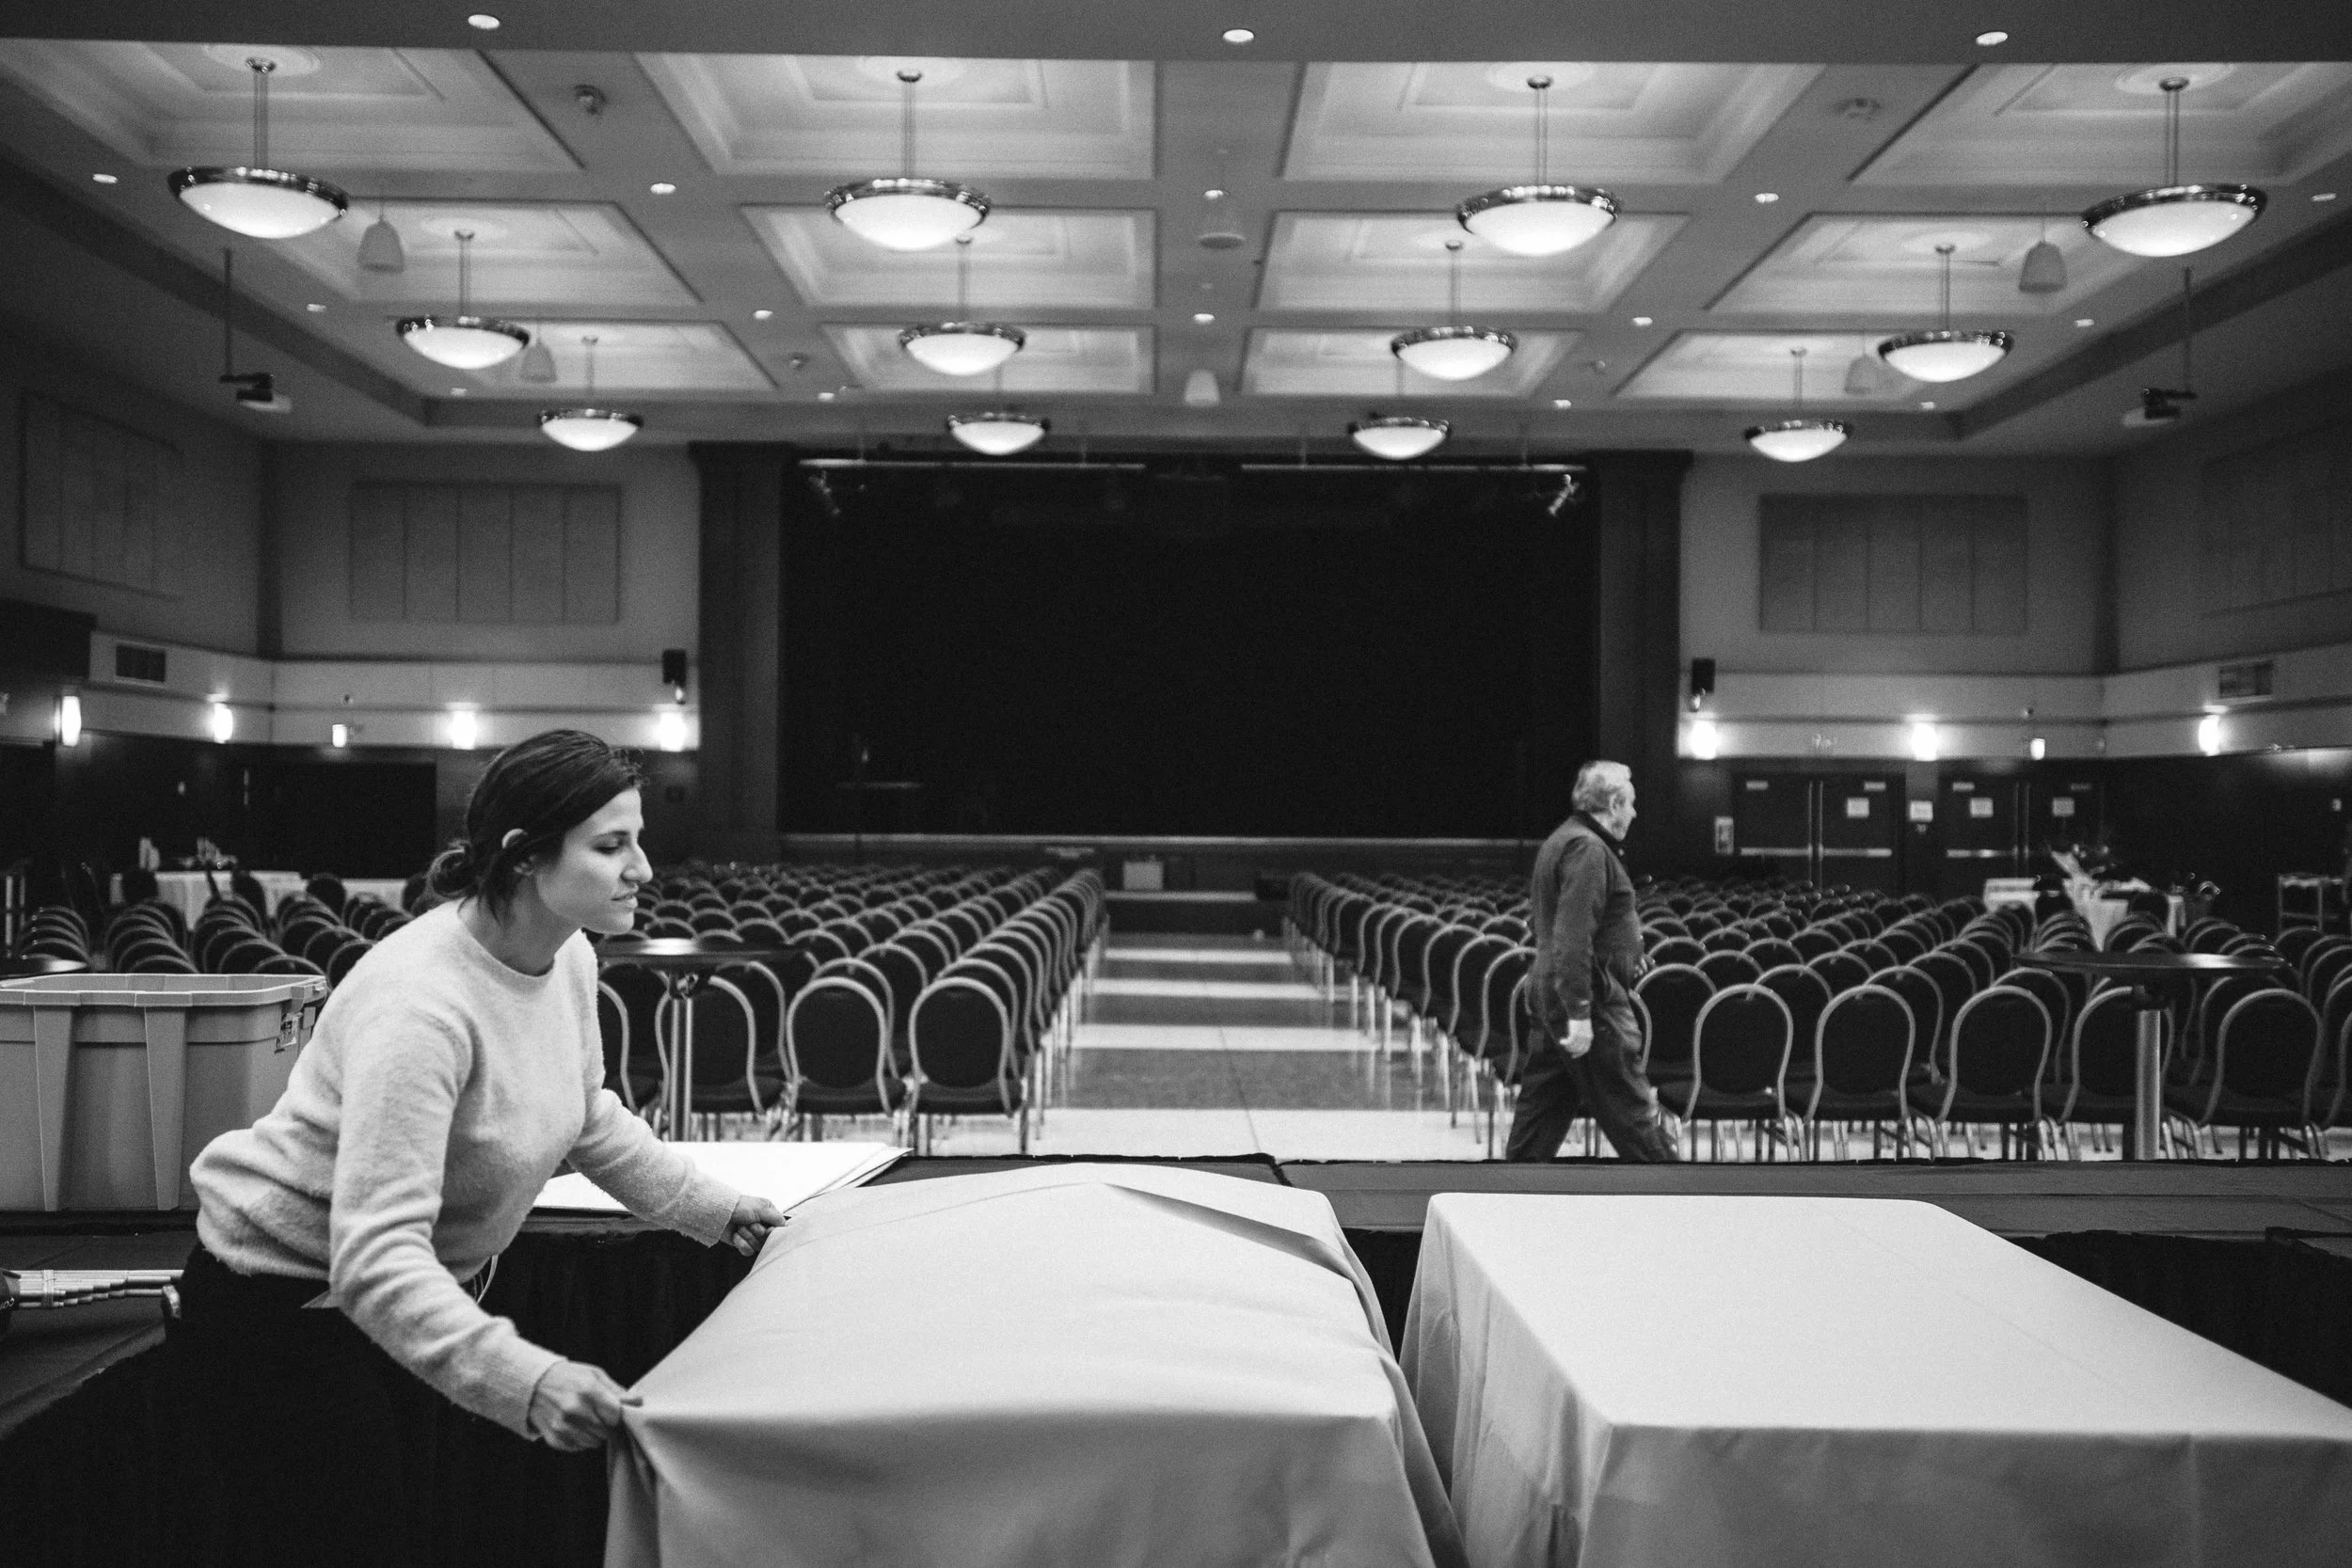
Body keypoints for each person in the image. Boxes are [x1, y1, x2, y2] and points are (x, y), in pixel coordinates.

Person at [177, 729, 786, 1562]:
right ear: (524, 857)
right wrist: (531, 1382)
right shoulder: (420, 1010)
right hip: (279, 1312)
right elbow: (375, 1260)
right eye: (612, 846)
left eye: (637, 840)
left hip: (391, 1300)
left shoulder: (567, 952)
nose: (643, 867)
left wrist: (717, 1211)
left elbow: (586, 1114)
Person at [1504, 760, 1678, 1164]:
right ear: (1614, 804)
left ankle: (1502, 1199)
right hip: (1588, 1003)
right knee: (1634, 1118)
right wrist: (1581, 1012)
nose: (1634, 813)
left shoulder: (1564, 839)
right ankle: (1683, 1201)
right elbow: (1572, 935)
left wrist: (1626, 954)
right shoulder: (1587, 848)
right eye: (1631, 804)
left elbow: (1565, 930)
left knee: (1538, 1122)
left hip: (1557, 994)